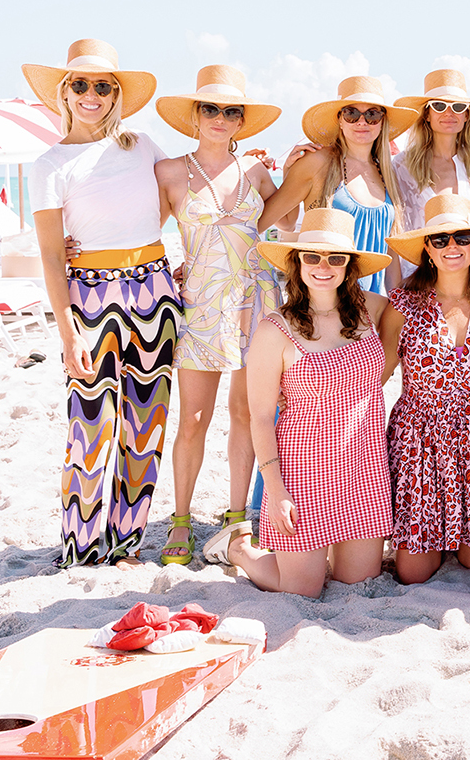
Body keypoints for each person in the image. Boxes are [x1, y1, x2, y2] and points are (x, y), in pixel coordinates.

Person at [26, 39, 180, 567]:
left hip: (155, 293)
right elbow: (50, 257)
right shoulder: (48, 164)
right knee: (90, 427)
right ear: (64, 93)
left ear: (117, 93)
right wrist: (66, 333)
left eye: (103, 86)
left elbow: (185, 189)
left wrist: (245, 162)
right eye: (80, 85)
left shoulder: (141, 144)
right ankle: (81, 549)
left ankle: (126, 544)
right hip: (89, 300)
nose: (92, 95)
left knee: (145, 427)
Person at [204, 208, 395, 597]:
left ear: (349, 266)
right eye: (312, 256)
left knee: (358, 582)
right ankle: (238, 548)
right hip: (305, 472)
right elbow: (259, 417)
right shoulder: (275, 330)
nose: (323, 266)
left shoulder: (373, 310)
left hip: (365, 466)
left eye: (335, 258)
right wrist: (275, 490)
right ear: (297, 262)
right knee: (302, 589)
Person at [152, 65, 286, 565]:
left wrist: (295, 167)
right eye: (211, 108)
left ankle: (236, 520)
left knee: (248, 415)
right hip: (201, 308)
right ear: (195, 114)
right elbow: (140, 236)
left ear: (241, 120)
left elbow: (285, 223)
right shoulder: (168, 172)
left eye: (232, 110)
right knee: (193, 419)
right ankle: (181, 519)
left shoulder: (254, 170)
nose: (221, 118)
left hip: (257, 301)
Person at [378, 195, 470, 582]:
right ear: (427, 249)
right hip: (421, 444)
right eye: (440, 240)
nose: (452, 247)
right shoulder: (404, 302)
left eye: (461, 237)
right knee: (413, 573)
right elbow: (377, 373)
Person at [262, 75, 416, 294]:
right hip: (329, 307)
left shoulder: (387, 172)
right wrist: (264, 173)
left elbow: (390, 257)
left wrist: (397, 308)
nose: (362, 122)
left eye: (372, 114)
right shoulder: (318, 162)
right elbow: (273, 222)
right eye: (351, 113)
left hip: (375, 310)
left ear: (382, 122)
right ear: (340, 120)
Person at [390, 69, 470, 277]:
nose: (449, 113)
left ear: (466, 115)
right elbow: (393, 229)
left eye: (458, 107)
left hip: (464, 279)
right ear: (427, 115)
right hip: (416, 278)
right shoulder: (401, 165)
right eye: (439, 106)